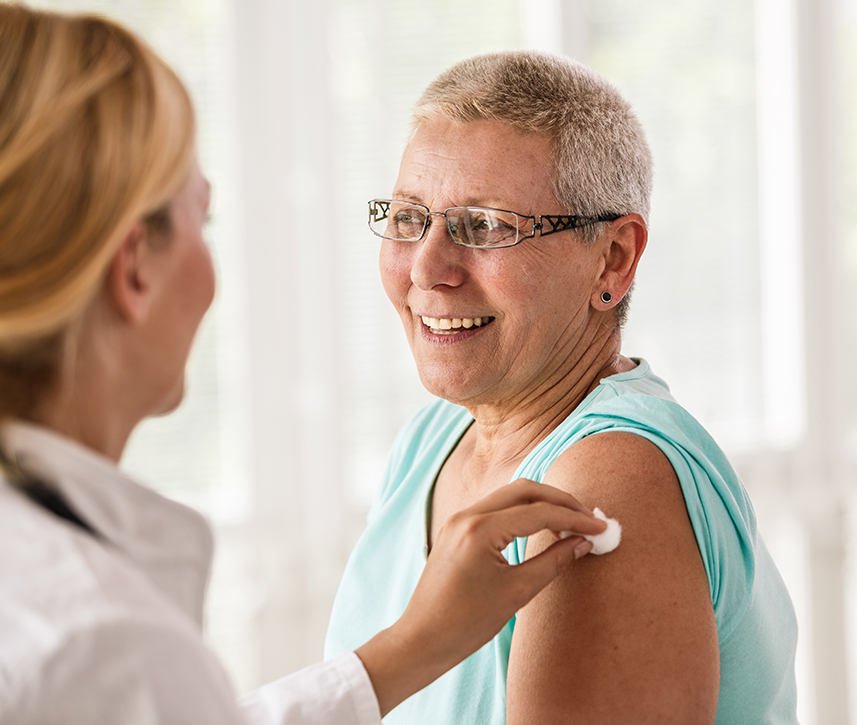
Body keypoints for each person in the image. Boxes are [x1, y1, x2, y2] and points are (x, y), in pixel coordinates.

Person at [0, 6, 608, 724]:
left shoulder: (610, 466)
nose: (429, 267)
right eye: (205, 218)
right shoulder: (104, 649)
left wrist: (408, 647)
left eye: (485, 226)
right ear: (134, 267)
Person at [323, 50, 800, 724]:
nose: (427, 269)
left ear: (613, 259)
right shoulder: (435, 437)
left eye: (484, 225)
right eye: (408, 218)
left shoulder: (606, 484)